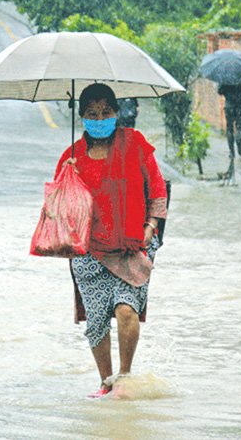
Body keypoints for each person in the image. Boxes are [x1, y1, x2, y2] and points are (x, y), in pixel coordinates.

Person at [54, 83, 168, 399]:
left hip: (133, 244)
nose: (99, 118)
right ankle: (106, 382)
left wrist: (151, 225)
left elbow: (157, 189)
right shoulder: (71, 156)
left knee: (126, 311)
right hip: (89, 251)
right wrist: (68, 176)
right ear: (82, 117)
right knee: (97, 321)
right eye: (92, 114)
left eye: (106, 112)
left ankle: (126, 377)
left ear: (116, 113)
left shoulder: (135, 144)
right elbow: (60, 210)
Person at [217, 83, 241, 158]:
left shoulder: (225, 79)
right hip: (240, 107)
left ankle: (232, 152)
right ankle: (239, 142)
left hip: (229, 107)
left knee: (229, 129)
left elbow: (219, 91)